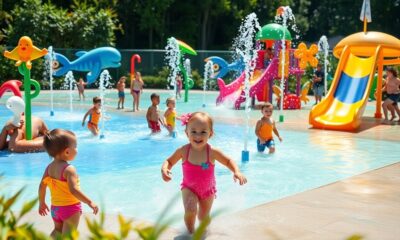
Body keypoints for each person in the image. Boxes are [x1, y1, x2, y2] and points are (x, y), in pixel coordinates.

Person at [161, 112, 247, 234]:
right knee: (190, 210)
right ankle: (191, 233)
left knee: (203, 218)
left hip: (208, 190)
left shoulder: (212, 152)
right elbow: (169, 161)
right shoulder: (183, 151)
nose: (198, 136)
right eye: (194, 131)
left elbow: (228, 161)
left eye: (203, 132)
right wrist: (164, 169)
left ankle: (203, 230)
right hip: (188, 188)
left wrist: (236, 171)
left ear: (210, 134)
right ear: (187, 133)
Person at [38, 129, 98, 238]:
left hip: (55, 208)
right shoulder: (69, 169)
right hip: (70, 208)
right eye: (75, 146)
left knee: (57, 231)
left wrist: (41, 202)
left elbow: (42, 186)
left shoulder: (49, 168)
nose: (77, 149)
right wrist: (89, 202)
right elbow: (74, 190)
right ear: (67, 152)